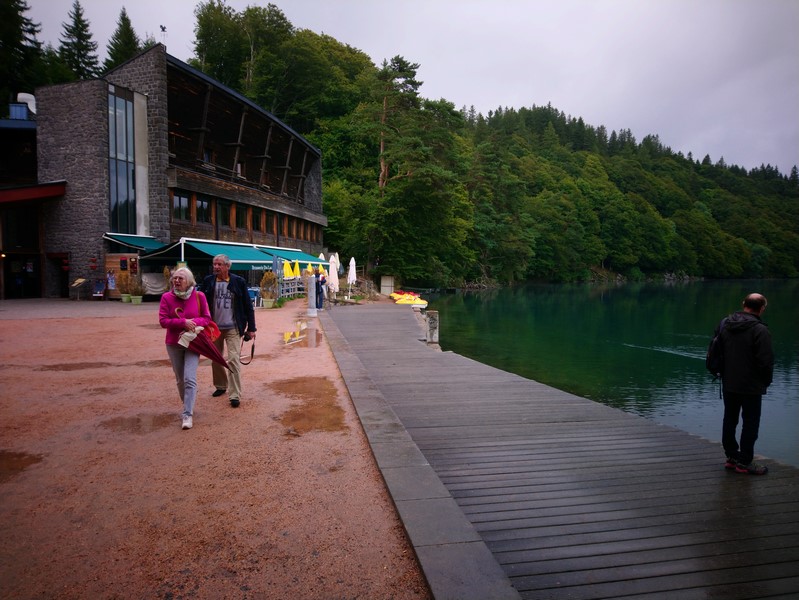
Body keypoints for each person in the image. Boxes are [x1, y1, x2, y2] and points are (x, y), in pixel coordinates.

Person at [716, 293, 774, 475]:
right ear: (762, 308)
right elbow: (766, 362)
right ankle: (745, 461)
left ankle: (732, 457)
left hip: (729, 382)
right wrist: (766, 381)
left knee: (730, 419)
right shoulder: (760, 330)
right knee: (750, 423)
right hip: (751, 385)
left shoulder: (725, 323)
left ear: (743, 304)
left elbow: (716, 350)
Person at [198, 254, 257, 408]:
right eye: (214, 264)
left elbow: (248, 306)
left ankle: (235, 394)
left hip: (233, 326)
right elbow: (200, 303)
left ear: (227, 266)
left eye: (219, 264)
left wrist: (251, 328)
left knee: (233, 359)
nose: (216, 267)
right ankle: (220, 385)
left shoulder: (238, 282)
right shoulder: (208, 281)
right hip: (214, 327)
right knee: (215, 358)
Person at [158, 267, 213, 430]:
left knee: (189, 378)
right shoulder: (166, 298)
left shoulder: (199, 296)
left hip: (192, 343)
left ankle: (187, 414)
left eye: (180, 278)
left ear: (189, 281)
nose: (176, 281)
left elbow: (207, 318)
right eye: (174, 278)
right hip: (174, 343)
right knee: (180, 379)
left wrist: (193, 323)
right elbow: (163, 321)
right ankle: (187, 402)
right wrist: (182, 322)